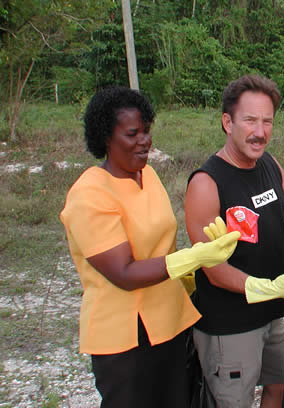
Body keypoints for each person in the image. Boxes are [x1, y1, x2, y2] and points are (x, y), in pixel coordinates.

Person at [60, 86, 240, 408]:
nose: (144, 141)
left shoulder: (149, 175)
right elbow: (124, 273)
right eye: (133, 133)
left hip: (168, 323)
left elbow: (161, 244)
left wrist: (189, 273)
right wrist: (193, 258)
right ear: (105, 137)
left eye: (147, 131)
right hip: (124, 338)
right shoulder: (89, 195)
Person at [184, 74, 284, 408]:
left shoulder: (270, 165)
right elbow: (212, 268)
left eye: (267, 121)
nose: (259, 132)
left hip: (274, 313)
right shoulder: (206, 183)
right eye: (250, 121)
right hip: (229, 324)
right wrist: (266, 288)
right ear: (227, 122)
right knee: (233, 402)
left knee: (283, 386)